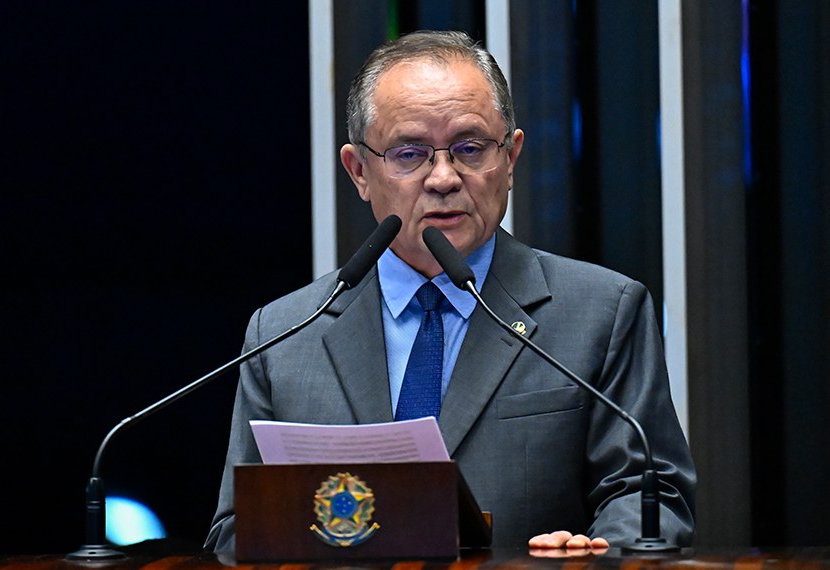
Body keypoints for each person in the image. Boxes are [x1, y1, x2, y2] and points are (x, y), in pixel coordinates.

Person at [205, 29, 696, 554]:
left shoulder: (603, 312)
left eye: (470, 148)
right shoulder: (284, 335)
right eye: (410, 154)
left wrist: (593, 554)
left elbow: (652, 500)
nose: (443, 178)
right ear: (359, 171)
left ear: (510, 158)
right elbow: (234, 532)